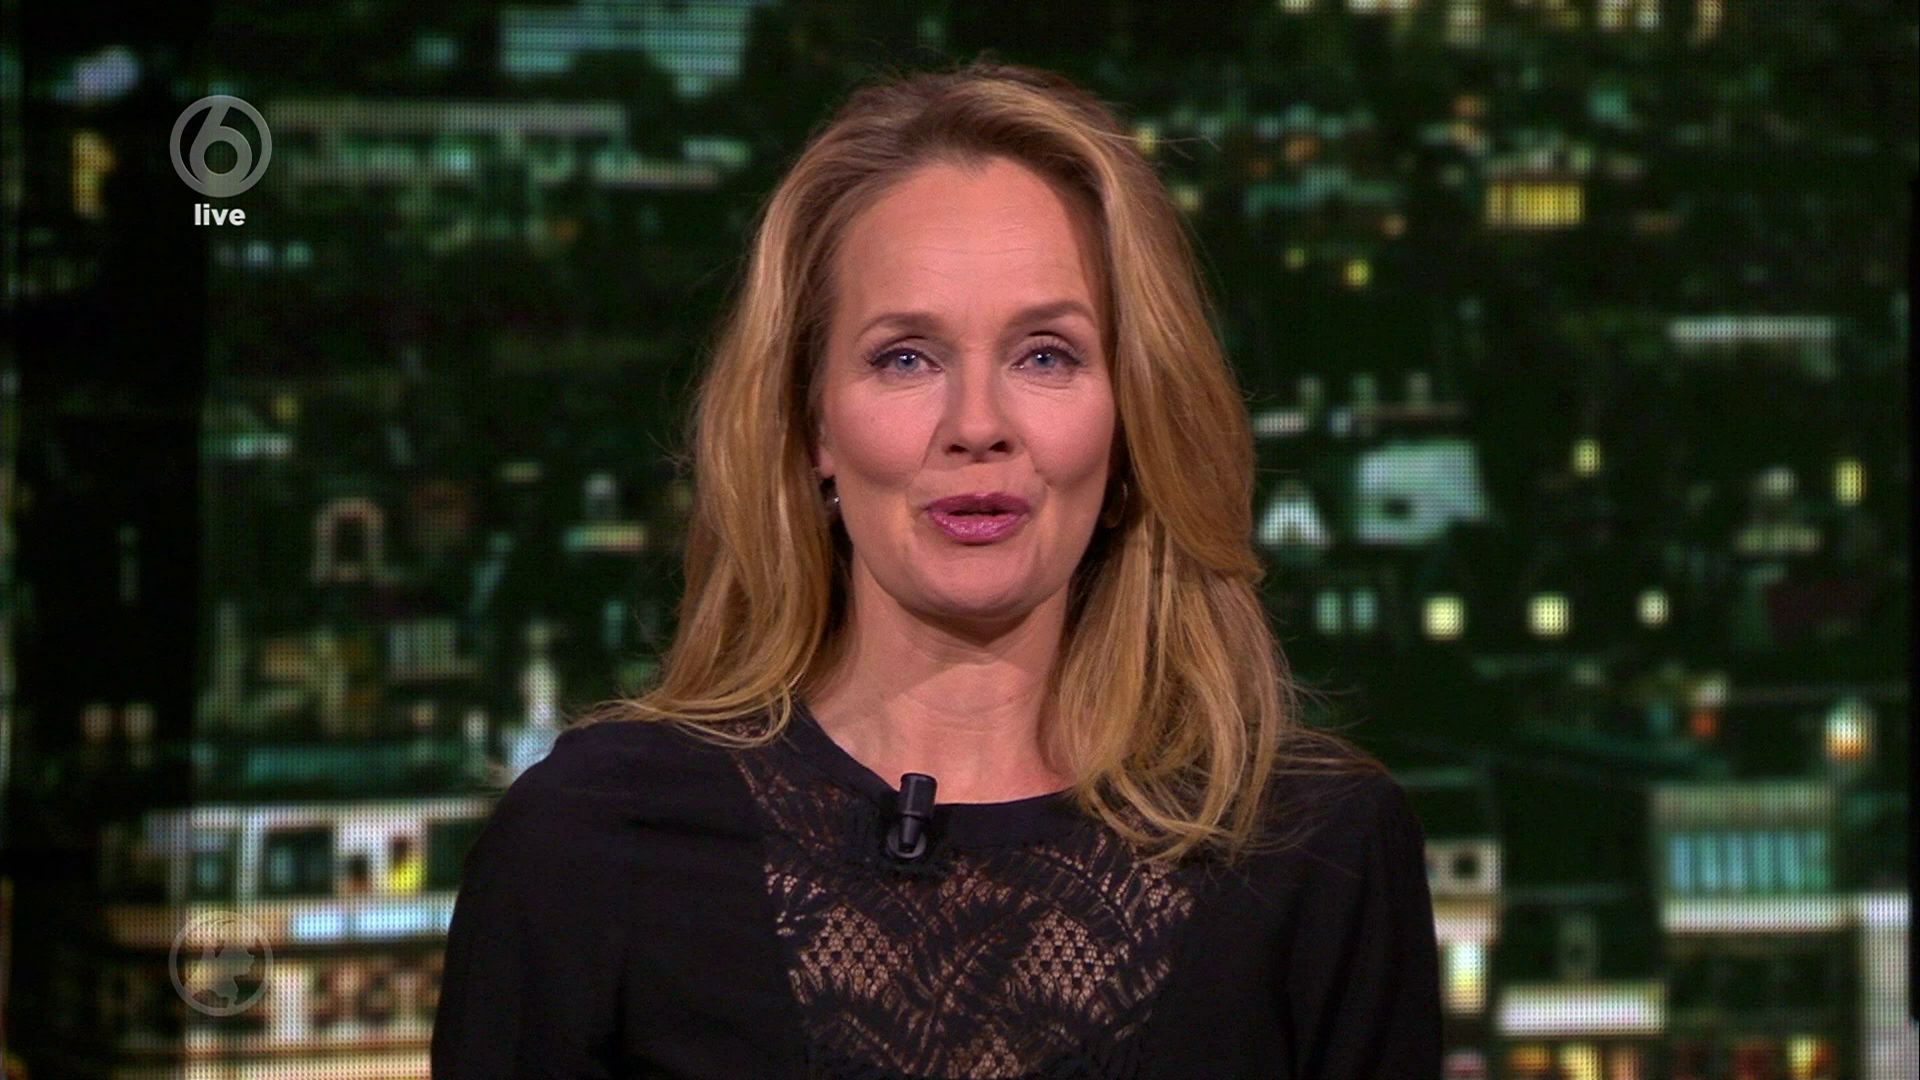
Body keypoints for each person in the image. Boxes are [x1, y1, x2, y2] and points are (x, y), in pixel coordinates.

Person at [431, 58, 1442, 1079]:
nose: (977, 425)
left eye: (1045, 354)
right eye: (905, 357)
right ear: (812, 424)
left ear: (1132, 415)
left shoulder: (1318, 855)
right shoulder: (593, 845)